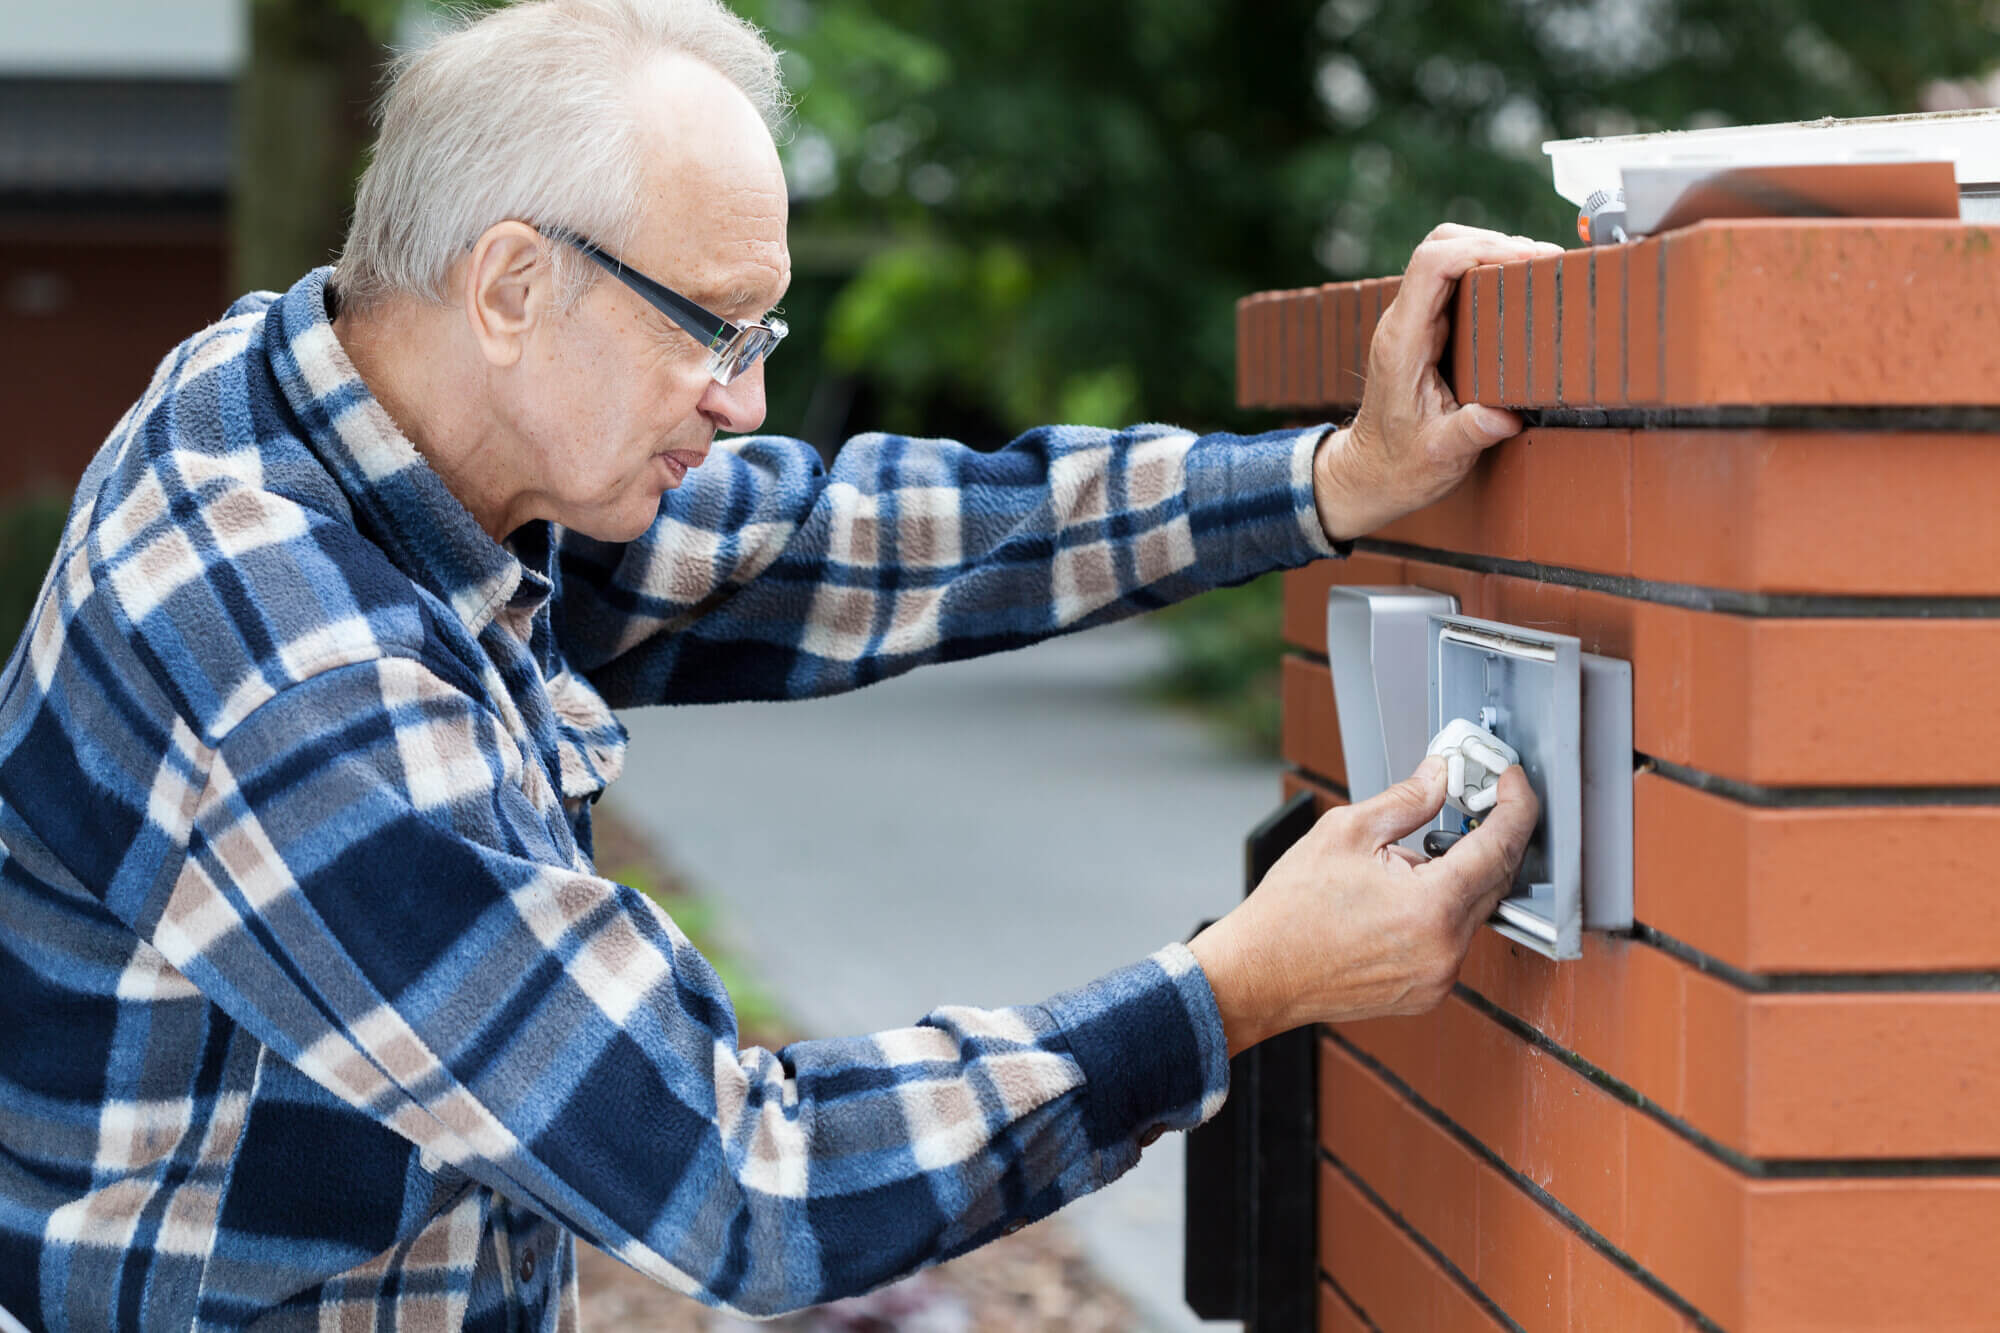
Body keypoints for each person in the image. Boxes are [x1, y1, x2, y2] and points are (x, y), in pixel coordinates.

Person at [0, 0, 1546, 1326]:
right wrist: (1239, 986)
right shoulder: (292, 675)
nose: (744, 406)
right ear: (512, 286)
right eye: (718, 333)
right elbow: (741, 1180)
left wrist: (1329, 480)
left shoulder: (344, 398)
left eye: (765, 340)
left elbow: (832, 543)